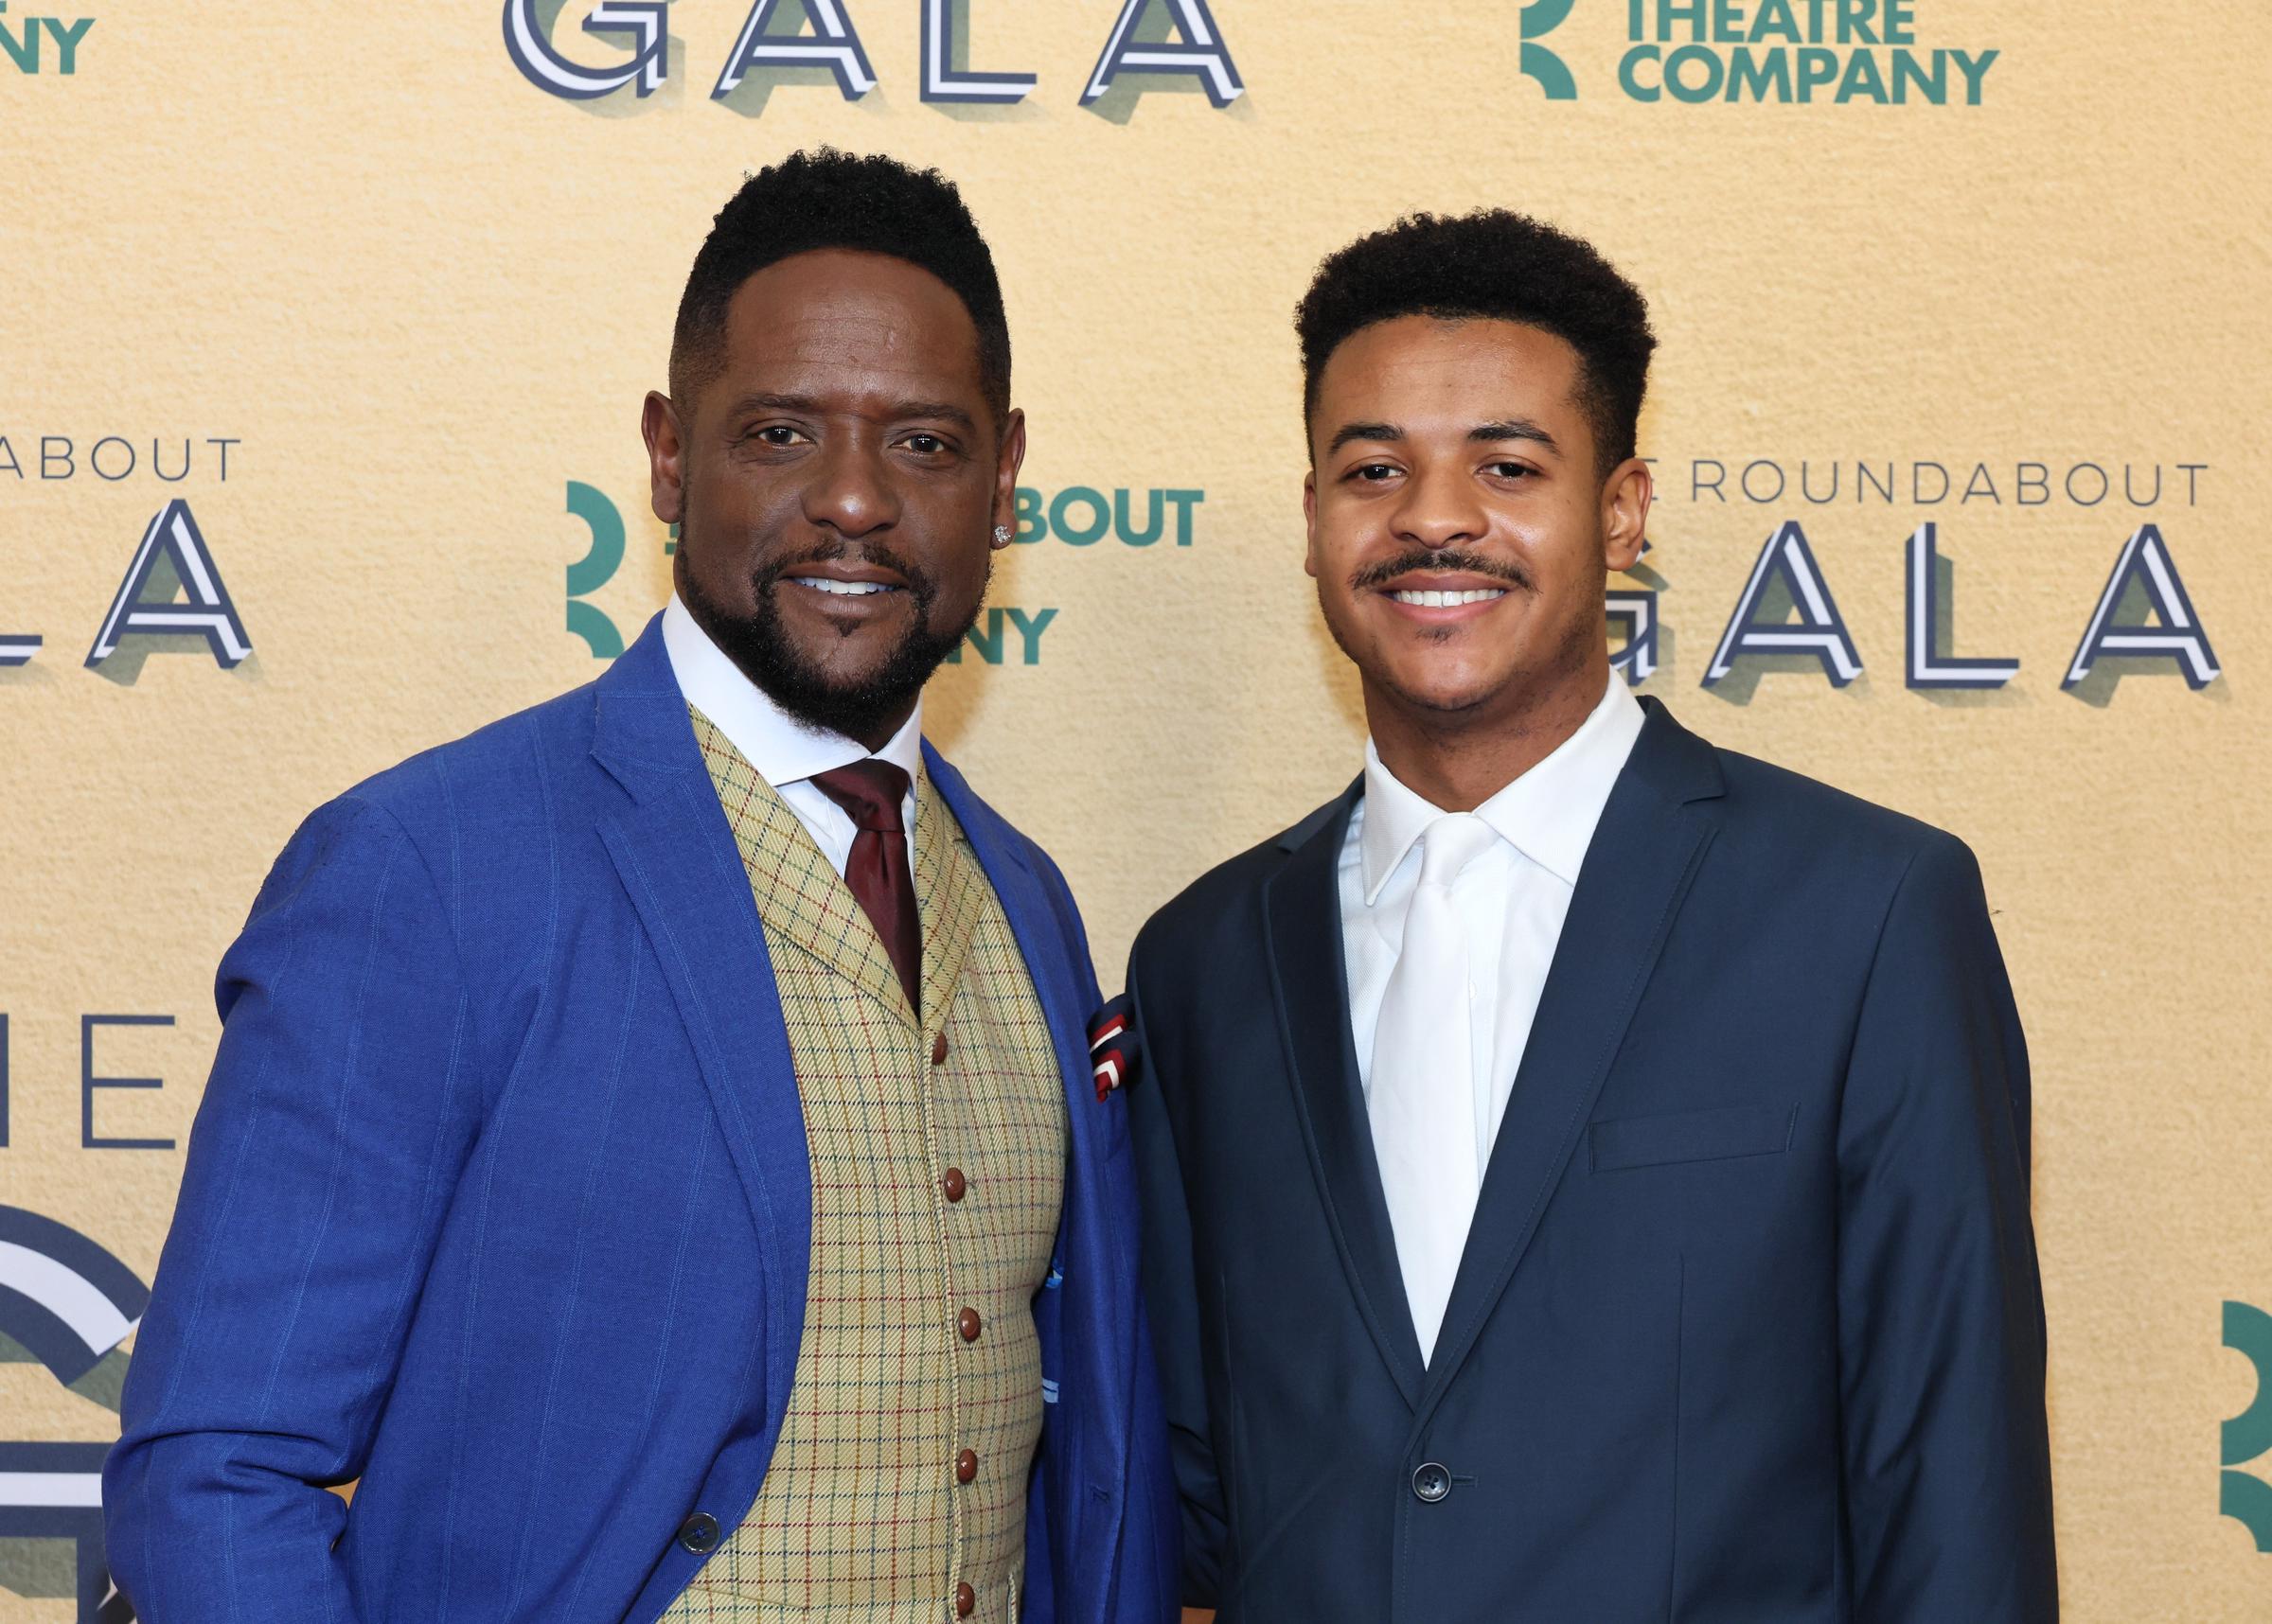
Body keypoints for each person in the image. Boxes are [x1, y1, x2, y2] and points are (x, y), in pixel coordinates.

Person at [106, 148, 1176, 1624]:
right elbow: (221, 1470)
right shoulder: (430, 869)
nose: (854, 502)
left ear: (1004, 481)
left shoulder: (1030, 906)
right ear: (672, 458)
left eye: (924, 445)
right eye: (783, 433)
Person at [1124, 210, 2056, 1620]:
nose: (1434, 517)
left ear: (1621, 510)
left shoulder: (1863, 916)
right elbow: (1197, 1492)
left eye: (1507, 466)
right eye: (1373, 469)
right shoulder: (1203, 959)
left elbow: (1954, 1492)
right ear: (1314, 518)